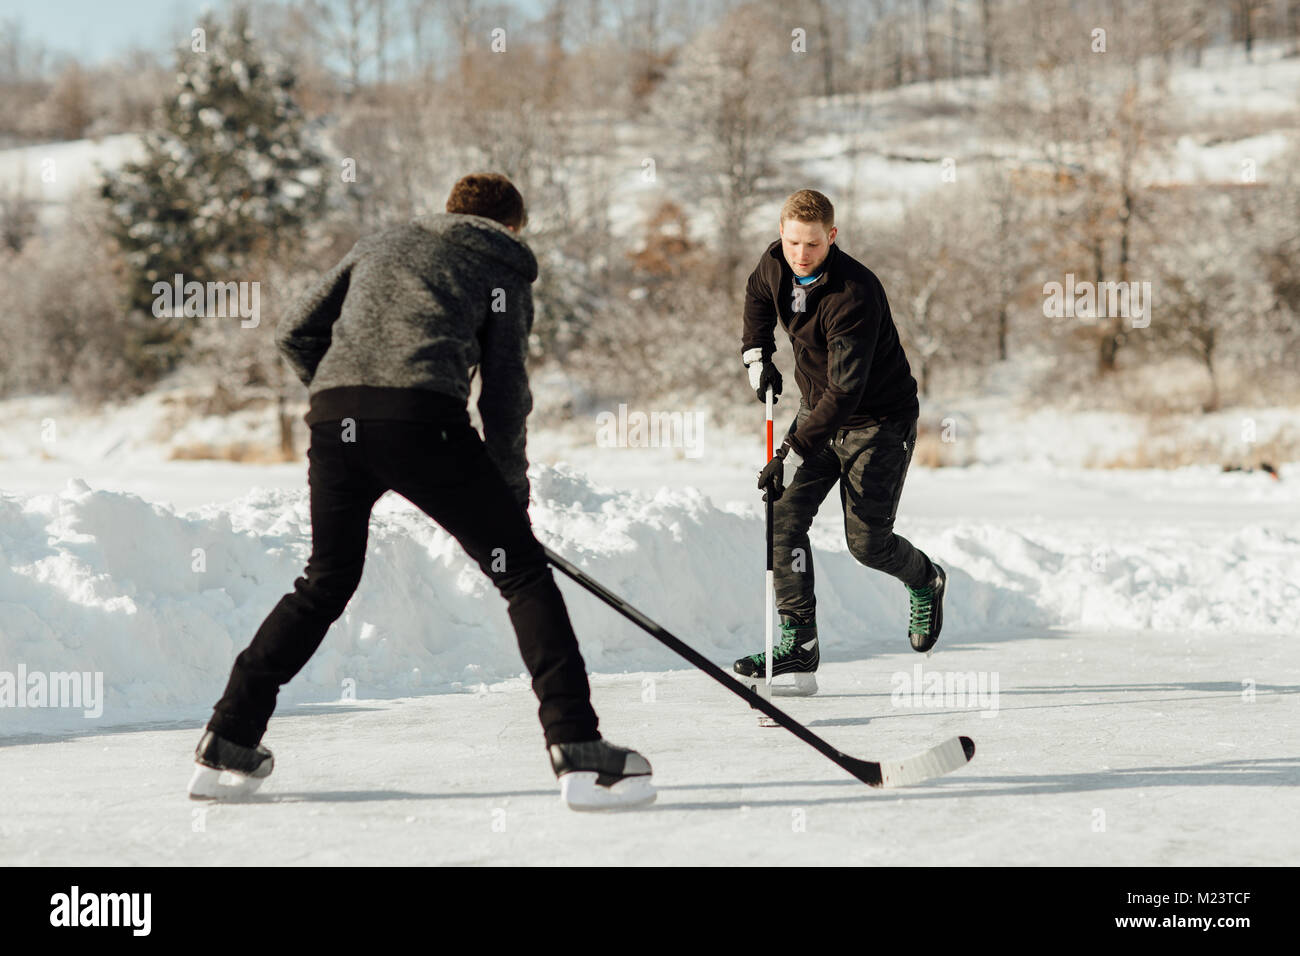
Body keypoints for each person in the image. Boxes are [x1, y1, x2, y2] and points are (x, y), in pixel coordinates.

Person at [188, 173, 653, 810]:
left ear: (449, 213)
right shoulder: (500, 266)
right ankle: (578, 749)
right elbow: (506, 394)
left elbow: (295, 331)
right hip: (422, 421)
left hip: (335, 419)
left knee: (324, 579)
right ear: (512, 226)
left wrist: (346, 392)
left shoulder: (379, 245)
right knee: (521, 573)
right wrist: (509, 493)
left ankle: (228, 740)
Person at [736, 188, 945, 695]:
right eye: (791, 243)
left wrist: (792, 452)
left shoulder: (854, 294)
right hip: (819, 412)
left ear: (832, 236)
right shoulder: (774, 263)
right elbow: (758, 298)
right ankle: (799, 645)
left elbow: (846, 392)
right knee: (782, 518)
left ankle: (925, 579)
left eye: (811, 244)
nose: (800, 255)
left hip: (878, 422)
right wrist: (757, 355)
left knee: (867, 543)